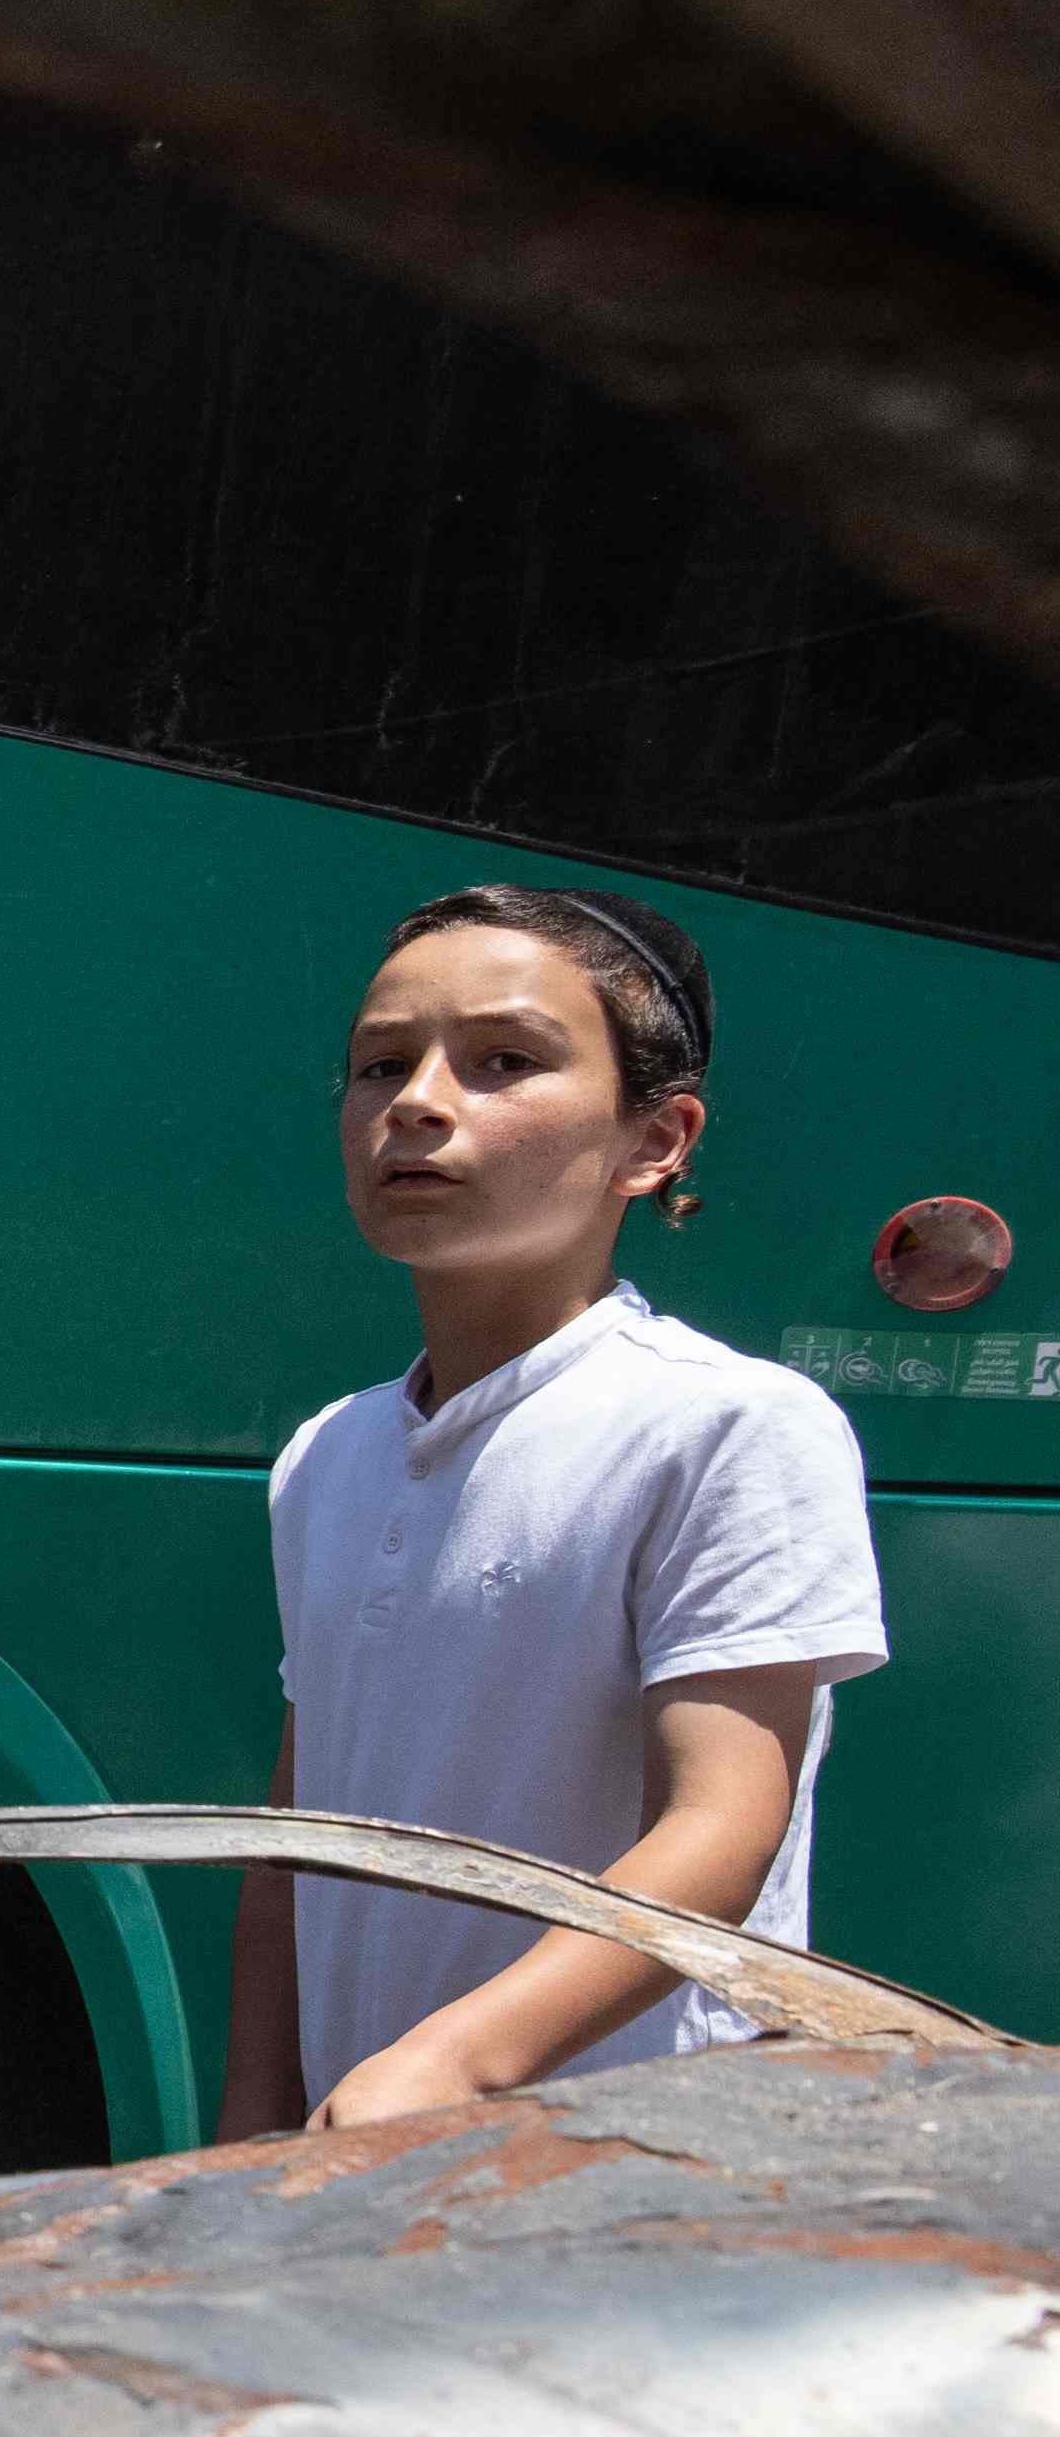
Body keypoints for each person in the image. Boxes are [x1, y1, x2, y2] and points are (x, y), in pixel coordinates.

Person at [222, 884, 883, 2130]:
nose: (414, 1103)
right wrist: (252, 2120)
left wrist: (457, 2063)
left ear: (657, 1141)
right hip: (359, 2159)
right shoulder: (330, 1451)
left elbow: (721, 1830)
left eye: (504, 1062)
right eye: (378, 1066)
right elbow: (290, 1848)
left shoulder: (728, 1426)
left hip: (624, 2163)